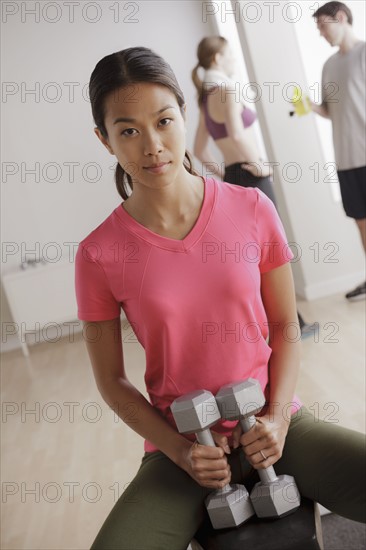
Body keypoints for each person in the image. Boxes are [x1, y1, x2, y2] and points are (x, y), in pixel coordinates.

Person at [75, 47, 365, 550]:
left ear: (184, 115)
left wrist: (275, 417)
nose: (152, 145)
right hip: (182, 449)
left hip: (278, 425)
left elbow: (284, 328)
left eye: (164, 121)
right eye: (128, 130)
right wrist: (181, 452)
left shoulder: (251, 207)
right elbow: (112, 380)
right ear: (104, 139)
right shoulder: (98, 254)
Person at [191, 36, 317, 338]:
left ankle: (279, 326)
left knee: (254, 256)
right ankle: (291, 327)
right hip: (252, 176)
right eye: (230, 54)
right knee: (274, 252)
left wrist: (226, 175)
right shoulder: (227, 91)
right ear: (218, 60)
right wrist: (258, 164)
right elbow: (236, 132)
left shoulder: (206, 98)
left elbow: (198, 149)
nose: (234, 59)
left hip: (235, 177)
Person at [311, 1, 366, 301]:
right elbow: (332, 111)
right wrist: (309, 106)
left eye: (323, 25)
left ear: (341, 17)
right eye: (317, 28)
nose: (320, 33)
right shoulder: (329, 66)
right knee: (361, 219)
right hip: (346, 158)